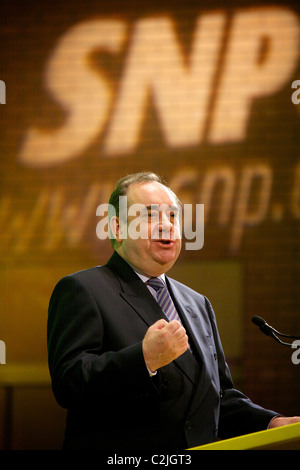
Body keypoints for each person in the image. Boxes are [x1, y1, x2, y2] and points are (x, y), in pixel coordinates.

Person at [47, 172, 299, 450]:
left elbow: (218, 397)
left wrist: (269, 423)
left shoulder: (197, 303)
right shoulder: (83, 289)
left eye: (173, 217)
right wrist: (143, 359)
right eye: (151, 216)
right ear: (118, 228)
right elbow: (69, 384)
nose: (166, 226)